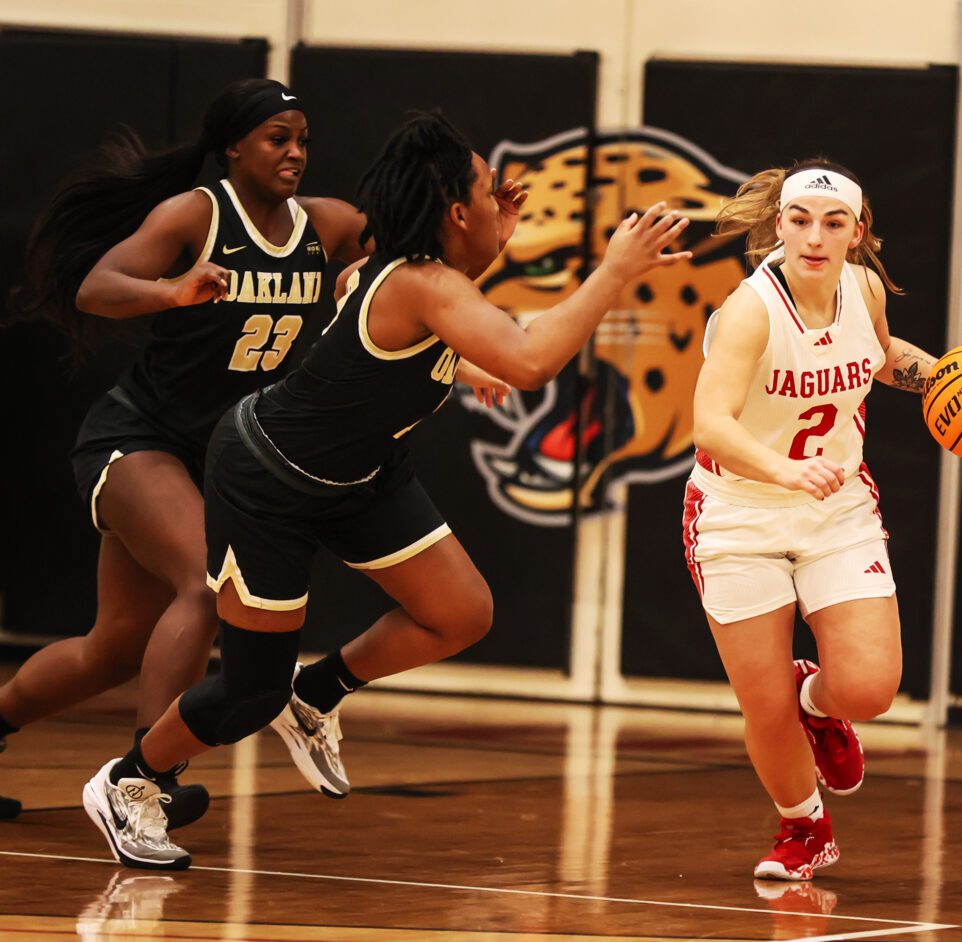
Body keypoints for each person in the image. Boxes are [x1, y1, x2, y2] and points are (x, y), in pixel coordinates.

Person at [80, 109, 692, 870]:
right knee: (246, 693)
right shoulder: (423, 282)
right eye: (481, 188)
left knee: (461, 611)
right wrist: (616, 270)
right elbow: (528, 361)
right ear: (455, 213)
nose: (500, 196)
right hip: (268, 478)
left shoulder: (412, 272)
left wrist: (458, 331)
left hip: (360, 472)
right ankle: (133, 780)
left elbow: (383, 311)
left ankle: (319, 691)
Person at [0, 79, 369, 826]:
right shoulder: (196, 215)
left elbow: (419, 254)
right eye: (278, 139)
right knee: (207, 584)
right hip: (136, 441)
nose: (296, 152)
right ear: (234, 146)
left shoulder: (325, 225)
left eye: (303, 139)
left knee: (112, 650)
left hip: (212, 458)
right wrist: (172, 291)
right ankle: (145, 784)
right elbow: (96, 288)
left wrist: (483, 218)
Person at [684, 159, 936, 880]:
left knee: (869, 687)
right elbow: (709, 421)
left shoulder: (862, 288)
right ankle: (804, 828)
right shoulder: (750, 309)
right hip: (738, 511)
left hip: (835, 508)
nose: (814, 237)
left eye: (832, 223)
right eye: (799, 221)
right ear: (779, 226)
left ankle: (818, 700)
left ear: (857, 233)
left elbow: (881, 356)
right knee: (761, 706)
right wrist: (783, 468)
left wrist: (945, 376)